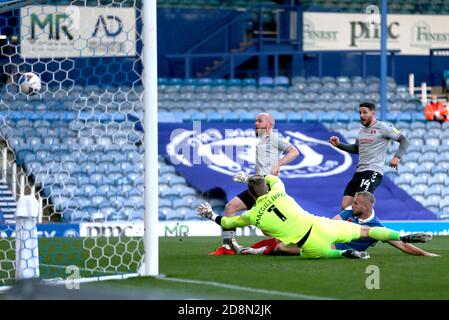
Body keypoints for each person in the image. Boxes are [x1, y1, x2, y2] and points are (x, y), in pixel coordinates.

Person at [197, 175, 432, 259]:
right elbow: (271, 178)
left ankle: (344, 254)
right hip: (321, 224)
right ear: (267, 188)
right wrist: (252, 177)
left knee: (318, 252)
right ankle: (402, 234)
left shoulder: (252, 215)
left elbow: (227, 222)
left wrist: (210, 216)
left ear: (249, 194)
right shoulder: (279, 190)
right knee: (369, 231)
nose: (353, 204)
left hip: (308, 241)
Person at [241, 191, 438, 257]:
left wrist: (425, 253)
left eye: (356, 203)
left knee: (282, 247)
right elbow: (333, 223)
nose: (352, 205)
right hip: (326, 236)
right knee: (283, 240)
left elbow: (402, 245)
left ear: (367, 206)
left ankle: (258, 251)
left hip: (332, 245)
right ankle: (257, 249)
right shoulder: (350, 212)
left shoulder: (376, 226)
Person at [209, 112, 299, 255]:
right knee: (230, 208)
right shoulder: (262, 141)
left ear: (268, 125)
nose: (256, 124)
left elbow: (294, 152)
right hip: (258, 185)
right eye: (256, 121)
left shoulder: (274, 137)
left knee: (267, 226)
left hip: (267, 188)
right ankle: (228, 247)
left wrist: (279, 163)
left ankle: (288, 243)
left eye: (260, 121)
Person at [329, 101, 409, 211]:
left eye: (365, 112)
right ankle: (355, 227)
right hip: (359, 172)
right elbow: (357, 148)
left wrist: (397, 157)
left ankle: (369, 226)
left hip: (373, 171)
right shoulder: (361, 130)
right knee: (345, 206)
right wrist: (339, 145)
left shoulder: (383, 127)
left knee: (359, 204)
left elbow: (404, 140)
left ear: (373, 113)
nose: (361, 115)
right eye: (360, 113)